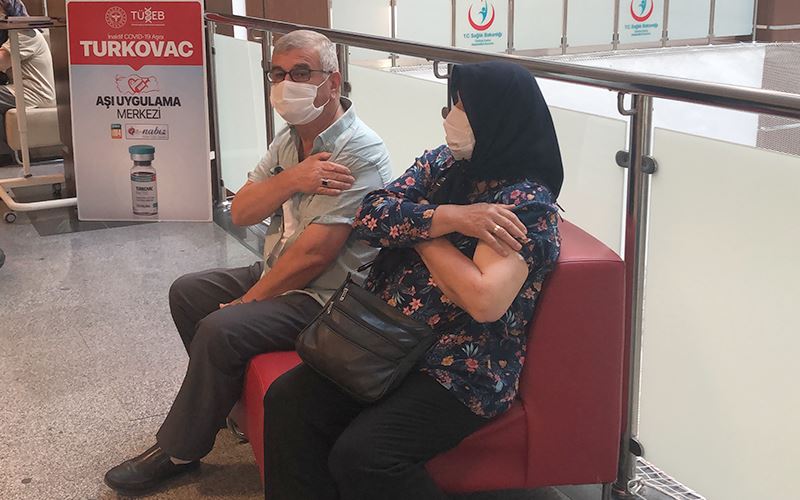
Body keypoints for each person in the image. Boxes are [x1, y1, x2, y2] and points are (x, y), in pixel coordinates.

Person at [104, 30, 392, 492]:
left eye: (302, 73)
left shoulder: (359, 151)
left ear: (334, 82)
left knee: (222, 327)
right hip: (282, 270)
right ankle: (224, 409)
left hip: (329, 296)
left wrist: (249, 301)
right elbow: (242, 211)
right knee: (188, 292)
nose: (286, 84)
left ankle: (180, 452)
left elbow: (315, 255)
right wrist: (293, 179)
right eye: (277, 74)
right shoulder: (289, 141)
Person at [262, 61, 564, 499]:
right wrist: (450, 218)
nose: (451, 116)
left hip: (459, 365)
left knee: (366, 455)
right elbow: (370, 213)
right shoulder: (446, 163)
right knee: (288, 401)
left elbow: (482, 299)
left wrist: (417, 231)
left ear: (498, 115)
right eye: (452, 103)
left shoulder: (525, 204)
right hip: (385, 337)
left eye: (463, 106)